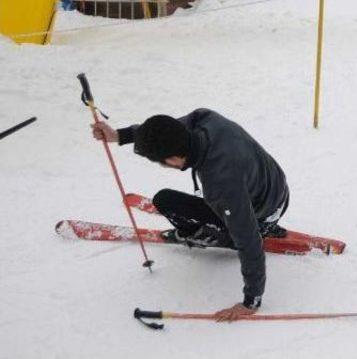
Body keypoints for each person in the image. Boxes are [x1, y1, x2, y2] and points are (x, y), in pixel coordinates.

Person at [90, 109, 290, 322]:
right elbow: (162, 131)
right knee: (173, 199)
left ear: (173, 159)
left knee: (165, 201)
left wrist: (251, 301)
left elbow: (249, 241)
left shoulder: (221, 182)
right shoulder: (205, 119)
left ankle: (214, 233)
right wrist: (119, 136)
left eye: (161, 162)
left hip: (261, 213)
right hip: (276, 190)